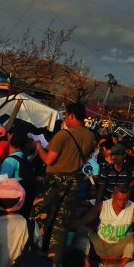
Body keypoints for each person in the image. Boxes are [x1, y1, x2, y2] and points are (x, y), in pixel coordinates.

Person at [33, 103, 97, 257]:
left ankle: (35, 256)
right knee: (60, 224)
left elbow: (48, 160)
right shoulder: (90, 136)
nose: (65, 119)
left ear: (72, 116)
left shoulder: (63, 135)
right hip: (74, 182)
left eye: (66, 115)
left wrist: (38, 146)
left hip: (55, 181)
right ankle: (55, 261)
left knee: (41, 219)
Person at [70, 183, 134, 267]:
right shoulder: (102, 206)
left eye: (125, 199)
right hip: (100, 244)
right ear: (112, 196)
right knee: (81, 230)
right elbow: (83, 220)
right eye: (119, 199)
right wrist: (66, 228)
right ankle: (86, 264)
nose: (122, 202)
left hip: (119, 247)